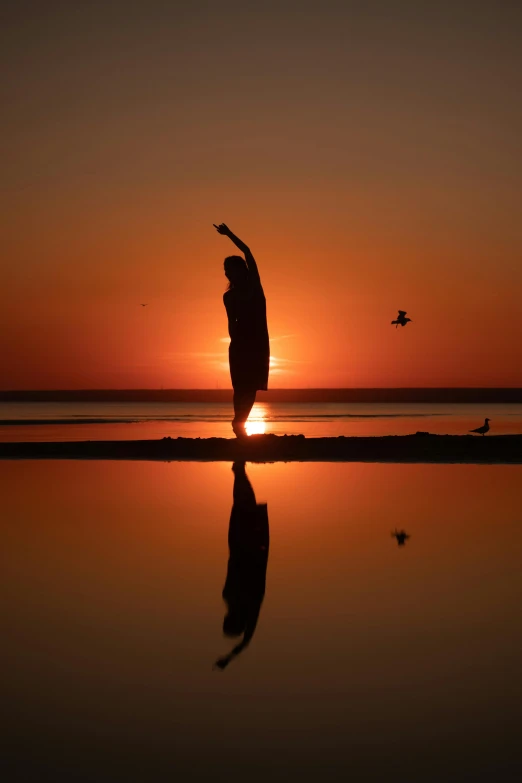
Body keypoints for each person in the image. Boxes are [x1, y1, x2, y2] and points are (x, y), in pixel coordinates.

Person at [213, 223, 270, 437]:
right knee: (240, 387)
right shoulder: (228, 296)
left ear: (240, 270)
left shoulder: (255, 286)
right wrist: (235, 342)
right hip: (239, 343)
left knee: (251, 386)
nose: (227, 273)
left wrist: (229, 234)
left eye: (230, 269)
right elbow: (231, 322)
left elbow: (247, 252)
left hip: (258, 343)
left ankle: (240, 422)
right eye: (225, 270)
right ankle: (238, 423)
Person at [214, 461, 269, 670]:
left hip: (237, 548)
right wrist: (230, 657)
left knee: (240, 506)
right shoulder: (250, 603)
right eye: (228, 621)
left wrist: (229, 657)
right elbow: (247, 639)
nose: (226, 616)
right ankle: (240, 469)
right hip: (251, 548)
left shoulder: (234, 601)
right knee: (244, 507)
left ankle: (239, 470)